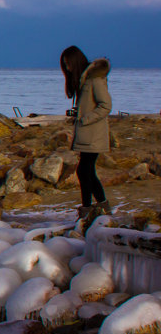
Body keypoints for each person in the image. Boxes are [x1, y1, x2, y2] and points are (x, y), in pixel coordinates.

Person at [60, 45, 111, 220]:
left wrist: (85, 118)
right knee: (87, 172)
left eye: (68, 64)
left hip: (93, 133)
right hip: (86, 133)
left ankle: (88, 211)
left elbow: (105, 105)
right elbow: (90, 105)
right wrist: (78, 114)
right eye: (65, 65)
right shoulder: (85, 80)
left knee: (84, 171)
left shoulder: (95, 79)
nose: (67, 68)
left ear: (76, 61)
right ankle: (101, 207)